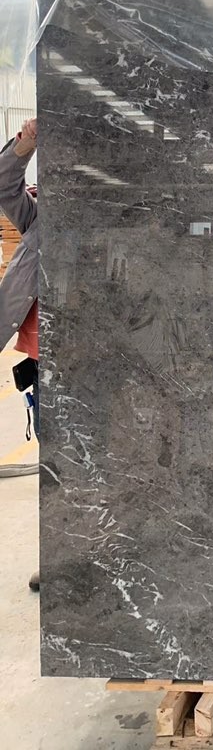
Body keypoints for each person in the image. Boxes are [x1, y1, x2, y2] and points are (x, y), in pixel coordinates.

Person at [0, 117, 39, 591]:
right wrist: (26, 142)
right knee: (55, 469)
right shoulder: (37, 218)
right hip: (44, 364)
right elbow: (3, 184)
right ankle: (62, 554)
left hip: (100, 362)